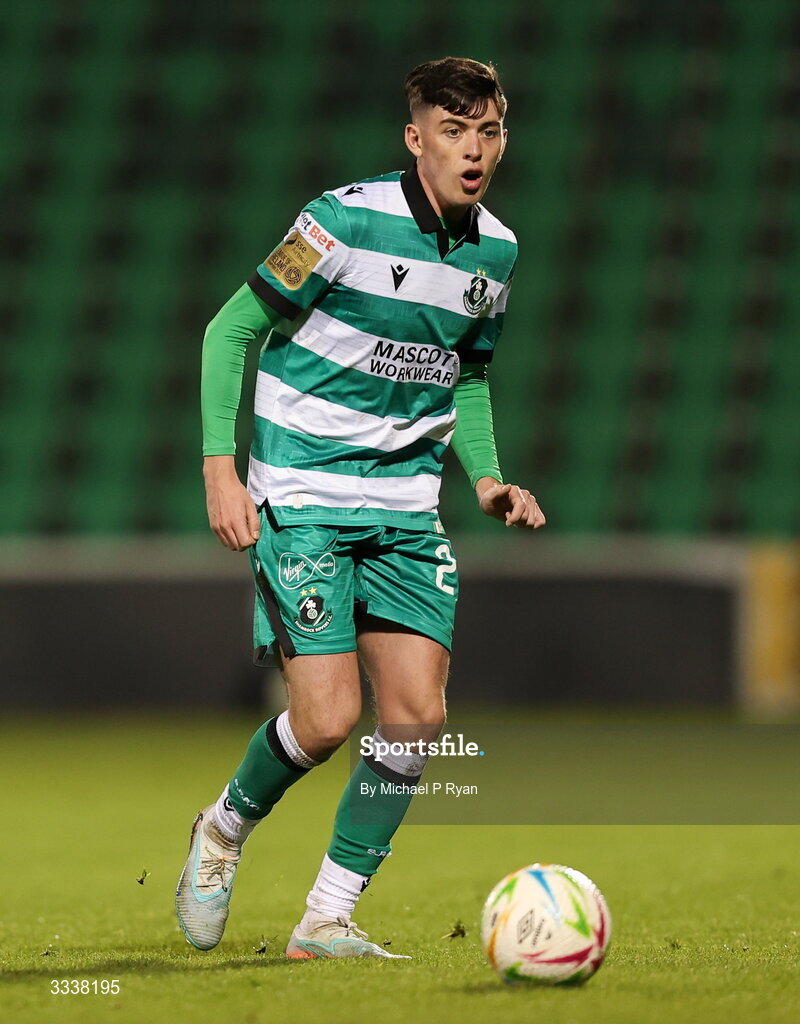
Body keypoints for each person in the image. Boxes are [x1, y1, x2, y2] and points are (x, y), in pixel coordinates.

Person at [176, 55, 545, 960]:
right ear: (415, 138)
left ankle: (325, 918)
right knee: (328, 719)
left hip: (408, 509)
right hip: (302, 493)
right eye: (454, 132)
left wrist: (488, 478)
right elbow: (233, 329)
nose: (474, 150)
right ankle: (222, 829)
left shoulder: (496, 251)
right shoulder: (338, 220)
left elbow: (466, 377)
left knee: (418, 717)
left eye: (489, 131)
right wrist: (222, 473)